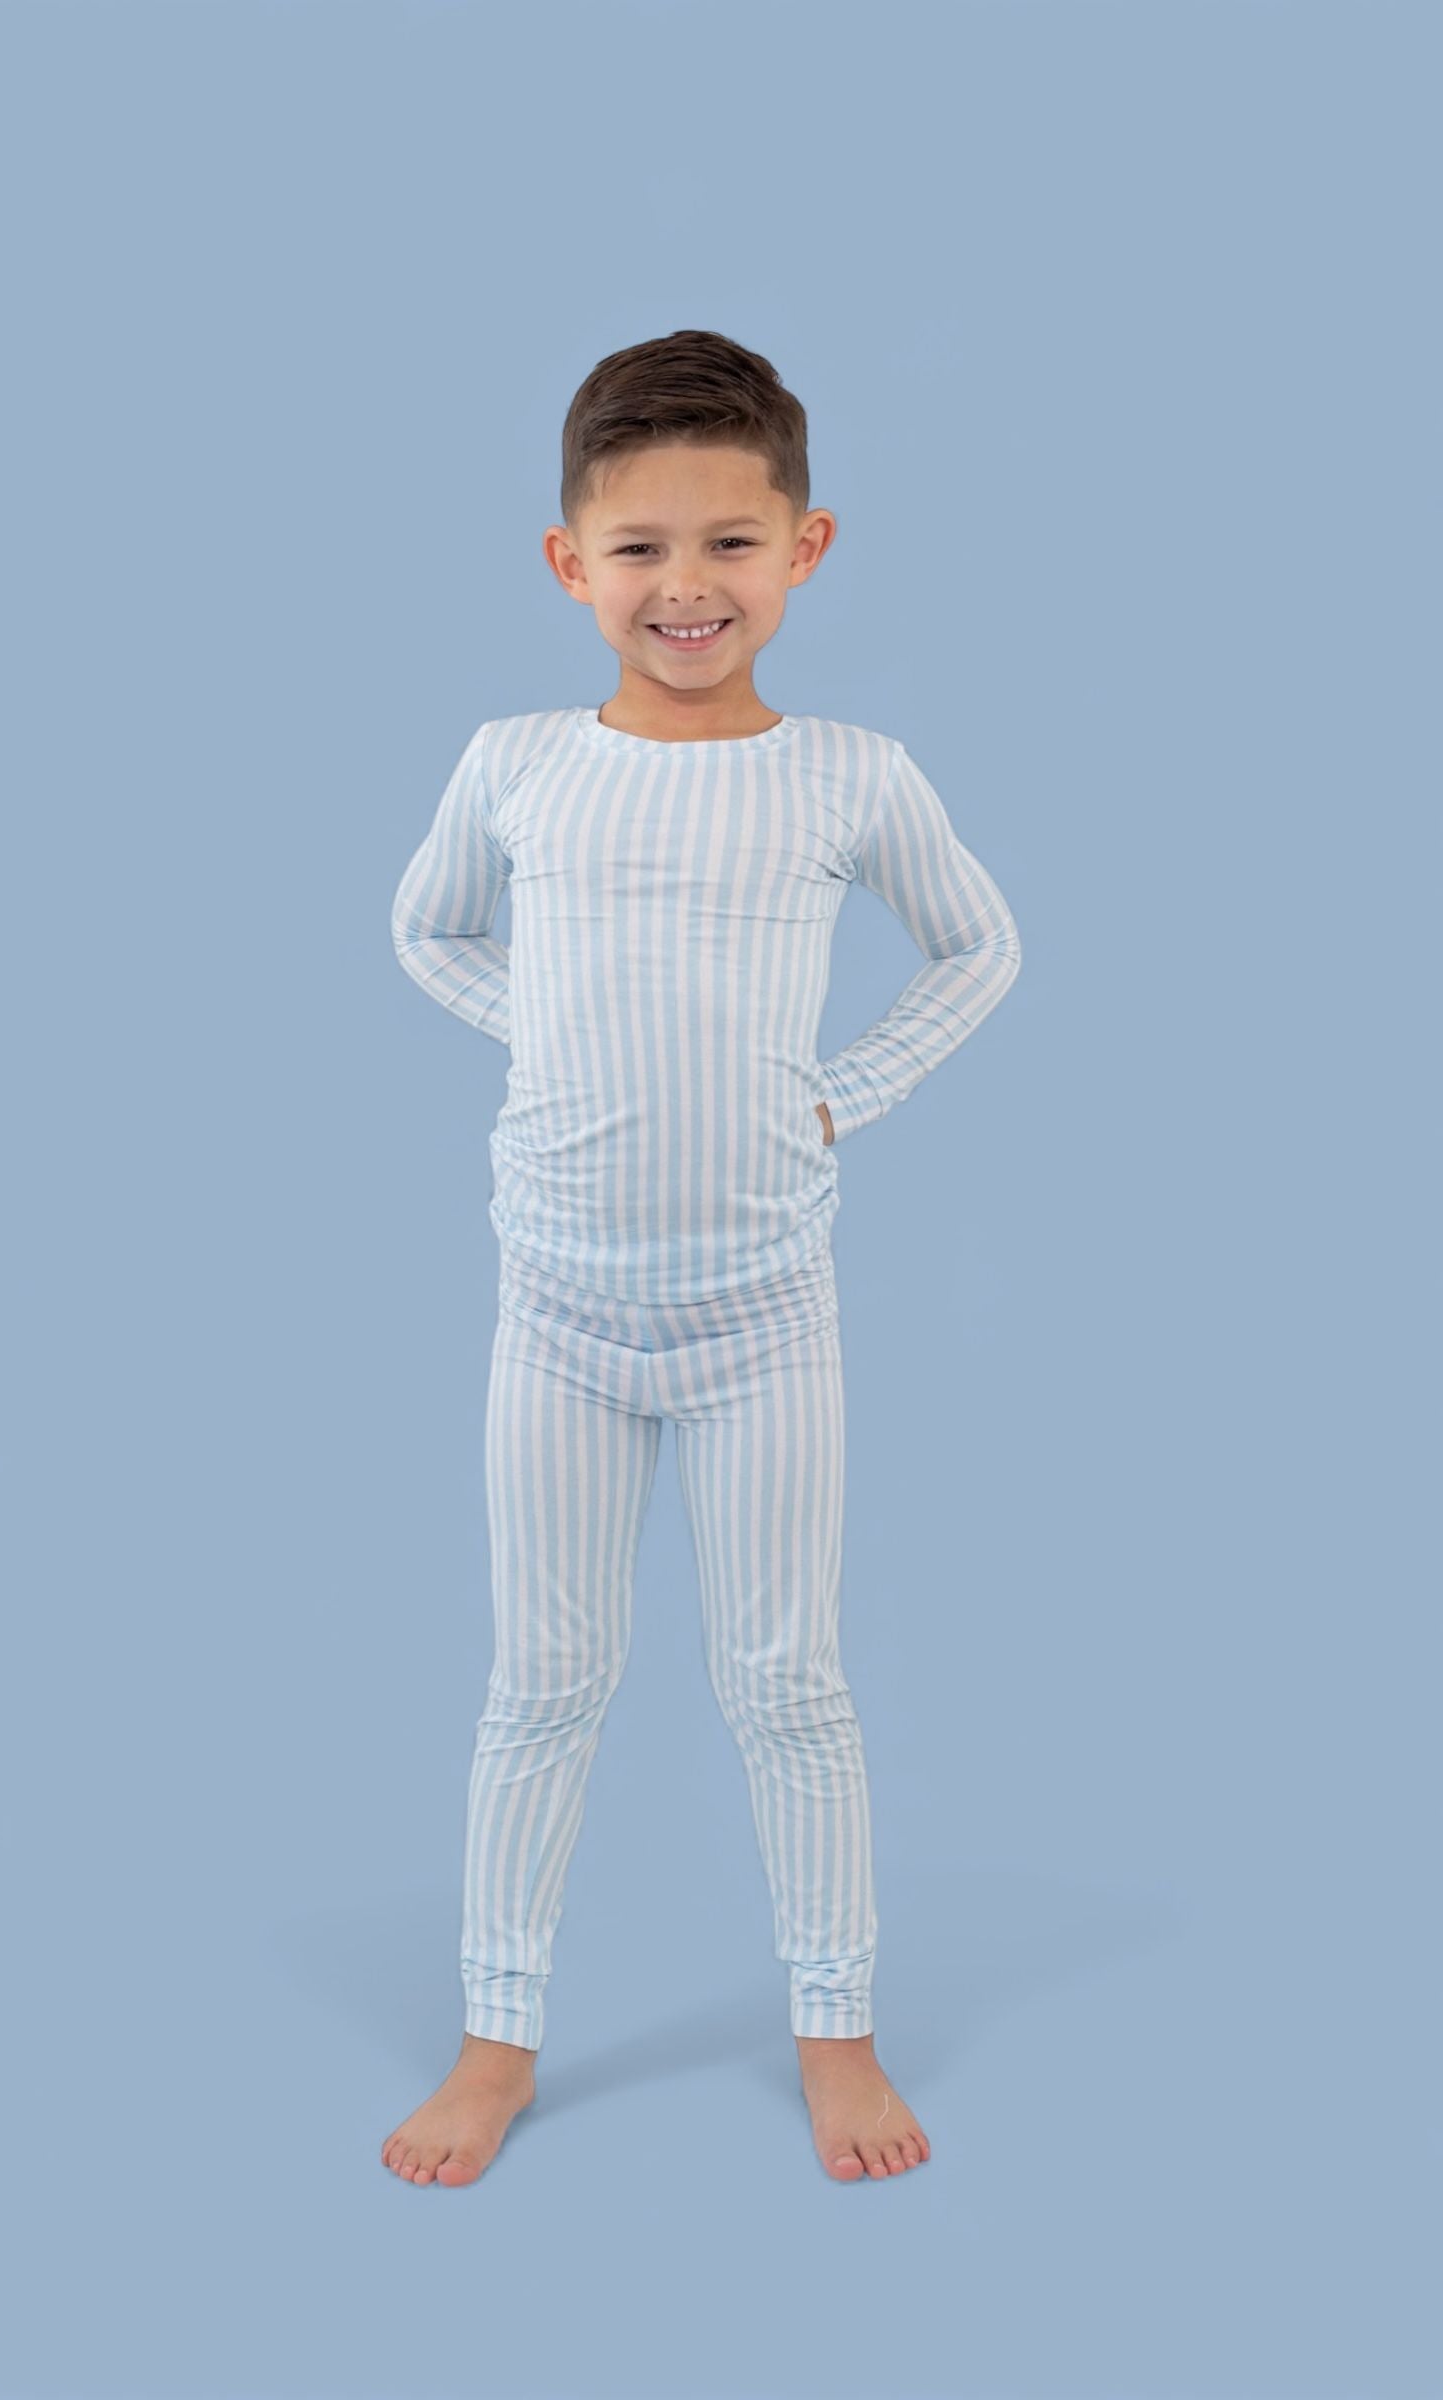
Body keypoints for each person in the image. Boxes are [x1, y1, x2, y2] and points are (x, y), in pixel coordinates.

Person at [383, 328, 1022, 2186]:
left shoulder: (849, 774)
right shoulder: (514, 765)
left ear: (803, 549)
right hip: (557, 1319)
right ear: (569, 562)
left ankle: (837, 2031)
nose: (688, 585)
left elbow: (977, 948)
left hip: (764, 1322)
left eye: (732, 542)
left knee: (788, 1683)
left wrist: (846, 1092)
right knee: (544, 1683)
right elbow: (429, 932)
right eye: (641, 547)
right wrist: (548, 1033)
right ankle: (497, 2038)